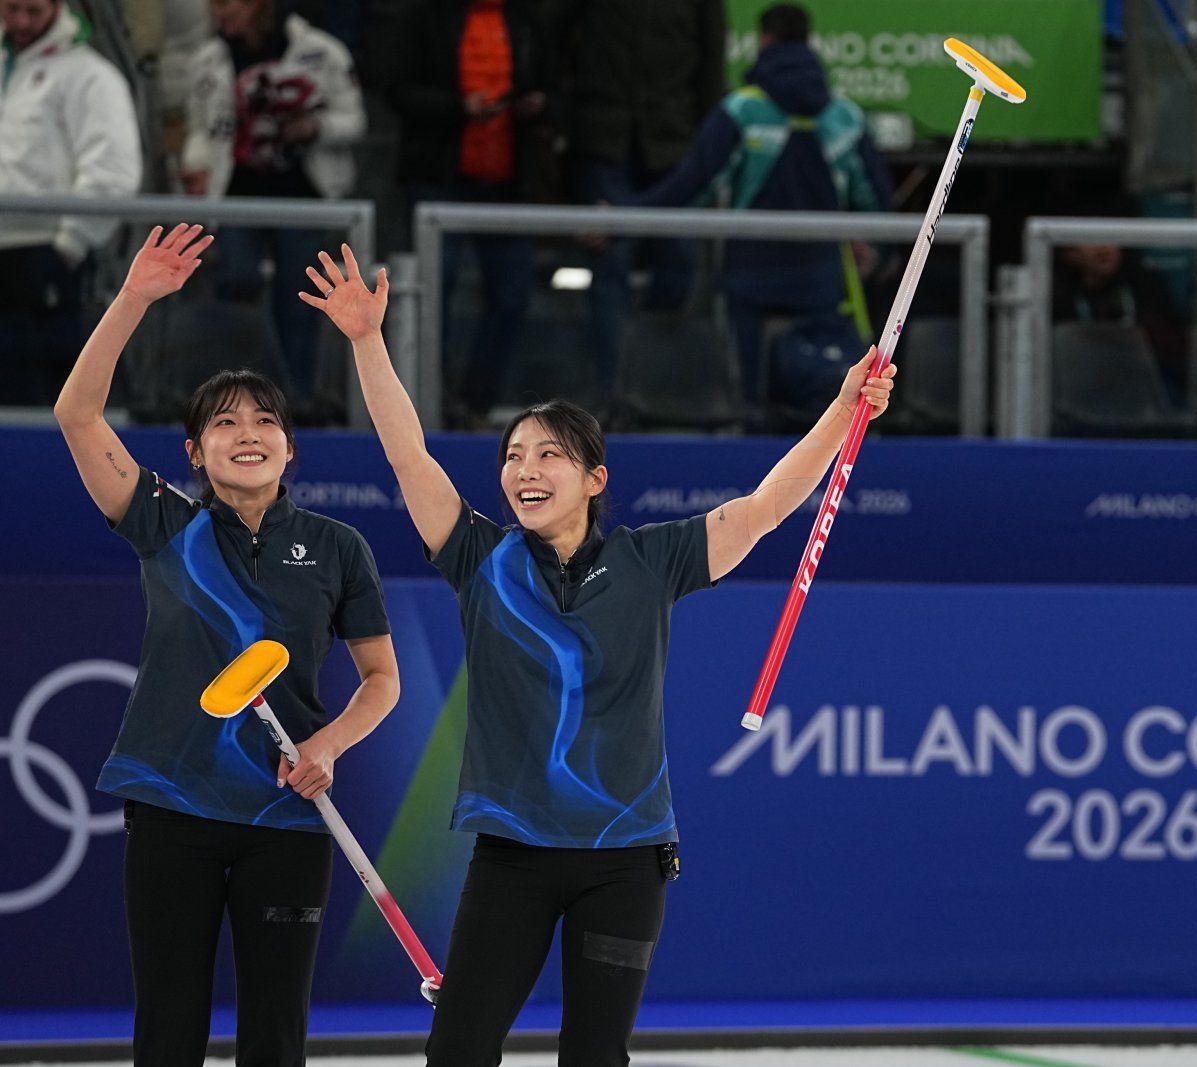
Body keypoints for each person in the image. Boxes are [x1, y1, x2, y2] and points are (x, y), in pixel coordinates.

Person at [301, 242, 894, 1066]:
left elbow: (763, 508)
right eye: (512, 455)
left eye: (548, 454)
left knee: (595, 1054)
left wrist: (842, 410)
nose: (524, 469)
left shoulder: (653, 562)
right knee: (459, 1050)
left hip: (625, 862)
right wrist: (368, 340)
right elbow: (409, 455)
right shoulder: (479, 557)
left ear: (593, 478)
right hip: (511, 857)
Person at [53, 224, 400, 1066]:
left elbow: (381, 678)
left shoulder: (336, 546)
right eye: (224, 423)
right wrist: (134, 297)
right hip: (173, 806)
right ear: (194, 452)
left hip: (288, 811)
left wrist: (329, 742)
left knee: (275, 1034)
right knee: (168, 1028)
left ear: (291, 445)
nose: (248, 432)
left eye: (266, 421)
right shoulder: (165, 522)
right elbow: (76, 411)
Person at [639, 2, 892, 416]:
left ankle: (747, 442)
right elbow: (875, 199)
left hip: (749, 272)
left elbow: (693, 185)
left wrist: (625, 215)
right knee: (825, 388)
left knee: (747, 397)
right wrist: (880, 252)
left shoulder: (742, 110)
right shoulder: (844, 116)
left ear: (763, 40)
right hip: (821, 278)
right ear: (808, 42)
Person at [373, 0, 557, 428]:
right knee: (433, 294)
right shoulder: (421, 14)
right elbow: (395, 89)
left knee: (512, 297)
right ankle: (426, 407)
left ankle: (473, 404)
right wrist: (459, 107)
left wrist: (539, 105)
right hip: (438, 177)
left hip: (510, 182)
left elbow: (556, 85)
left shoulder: (527, 16)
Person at [181, 0, 366, 421]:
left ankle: (296, 398)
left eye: (227, 5)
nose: (218, 14)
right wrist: (193, 169)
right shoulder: (208, 59)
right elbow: (200, 129)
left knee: (299, 299)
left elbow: (354, 119)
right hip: (236, 196)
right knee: (235, 282)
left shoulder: (323, 51)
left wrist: (314, 127)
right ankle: (231, 397)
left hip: (302, 196)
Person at [556, 0, 727, 402]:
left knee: (679, 263)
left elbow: (711, 64)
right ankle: (610, 394)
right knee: (609, 267)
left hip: (671, 143)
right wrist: (565, 120)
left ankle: (650, 384)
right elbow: (556, 43)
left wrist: (702, 143)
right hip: (605, 139)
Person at [0, 0, 142, 406]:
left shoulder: (89, 74)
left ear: (58, 6)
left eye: (33, 11)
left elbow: (113, 170)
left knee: (56, 394)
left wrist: (71, 243)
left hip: (48, 252)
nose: (22, 22)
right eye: (12, 10)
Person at [1054, 242, 1190, 402]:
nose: (1103, 247)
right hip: (1081, 398)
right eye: (1091, 239)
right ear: (1071, 254)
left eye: (1110, 238)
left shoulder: (1145, 289)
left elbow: (1174, 351)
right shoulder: (1058, 299)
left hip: (1138, 399)